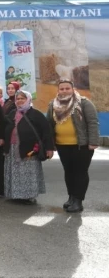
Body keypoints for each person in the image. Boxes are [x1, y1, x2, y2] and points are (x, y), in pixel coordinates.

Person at [46, 80, 99, 213]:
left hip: (82, 146)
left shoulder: (84, 102)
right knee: (69, 172)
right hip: (62, 145)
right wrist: (50, 145)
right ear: (58, 90)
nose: (64, 91)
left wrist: (93, 141)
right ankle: (71, 197)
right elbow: (49, 125)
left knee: (80, 172)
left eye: (67, 88)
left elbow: (92, 122)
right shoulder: (53, 104)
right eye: (62, 89)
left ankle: (78, 201)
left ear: (72, 89)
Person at [4, 90, 54, 204]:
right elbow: (5, 127)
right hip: (13, 148)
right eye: (17, 99)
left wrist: (49, 148)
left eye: (22, 98)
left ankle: (28, 196)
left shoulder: (36, 114)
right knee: (15, 172)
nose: (19, 101)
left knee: (28, 173)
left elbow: (46, 131)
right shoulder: (12, 113)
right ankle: (15, 195)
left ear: (28, 99)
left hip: (30, 150)